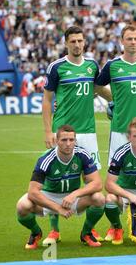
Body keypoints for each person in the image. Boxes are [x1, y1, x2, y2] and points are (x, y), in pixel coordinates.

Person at [42, 25, 111, 245]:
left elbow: (99, 90)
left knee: (93, 183)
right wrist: (48, 130)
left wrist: (115, 99)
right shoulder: (57, 67)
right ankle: (54, 230)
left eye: (80, 41)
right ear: (66, 43)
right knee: (55, 179)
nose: (77, 44)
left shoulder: (92, 65)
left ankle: (87, 231)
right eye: (73, 41)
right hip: (62, 131)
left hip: (88, 132)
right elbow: (46, 99)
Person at [15, 125, 106, 249]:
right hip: (49, 197)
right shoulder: (45, 159)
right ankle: (36, 232)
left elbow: (97, 183)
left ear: (75, 140)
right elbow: (32, 192)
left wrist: (75, 194)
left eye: (71, 140)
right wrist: (58, 208)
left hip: (73, 197)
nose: (68, 144)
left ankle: (86, 233)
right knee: (22, 206)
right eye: (64, 140)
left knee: (99, 199)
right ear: (57, 141)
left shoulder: (82, 154)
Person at [96, 24, 136, 165]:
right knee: (116, 172)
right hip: (119, 128)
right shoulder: (112, 66)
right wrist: (114, 99)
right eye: (129, 39)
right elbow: (97, 88)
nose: (133, 42)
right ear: (122, 41)